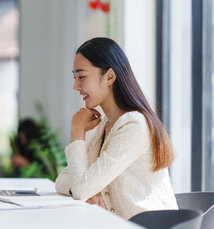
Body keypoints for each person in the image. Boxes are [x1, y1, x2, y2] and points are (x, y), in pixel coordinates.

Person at [55, 37, 178, 219]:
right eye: (75, 78)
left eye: (82, 77)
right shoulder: (103, 125)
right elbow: (62, 181)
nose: (76, 86)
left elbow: (81, 188)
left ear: (110, 77)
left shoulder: (134, 126)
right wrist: (87, 189)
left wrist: (77, 132)